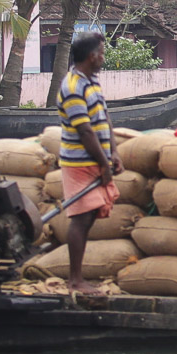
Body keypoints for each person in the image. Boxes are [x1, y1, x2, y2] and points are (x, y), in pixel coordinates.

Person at [56, 32, 121, 293]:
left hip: (97, 160)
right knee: (80, 219)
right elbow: (85, 131)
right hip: (78, 164)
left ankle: (78, 277)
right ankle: (75, 280)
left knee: (90, 216)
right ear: (93, 56)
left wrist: (113, 153)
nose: (103, 58)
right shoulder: (72, 86)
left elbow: (104, 119)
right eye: (102, 53)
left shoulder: (92, 82)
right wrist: (103, 165)